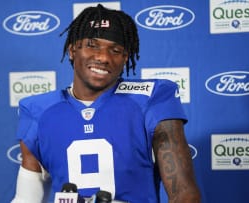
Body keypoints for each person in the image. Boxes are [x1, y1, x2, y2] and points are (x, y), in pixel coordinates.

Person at [11, 4, 201, 203]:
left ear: (125, 58)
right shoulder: (39, 111)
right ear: (72, 50)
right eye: (92, 45)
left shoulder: (150, 100)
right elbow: (26, 198)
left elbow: (184, 194)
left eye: (116, 50)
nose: (103, 57)